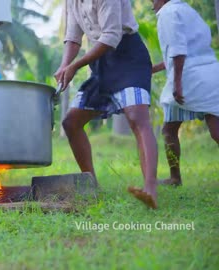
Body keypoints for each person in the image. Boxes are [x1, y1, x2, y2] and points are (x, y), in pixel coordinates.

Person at [54, 0, 159, 209]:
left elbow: (111, 37)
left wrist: (75, 66)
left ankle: (150, 189)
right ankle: (91, 185)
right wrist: (64, 66)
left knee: (137, 119)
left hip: (128, 57)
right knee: (71, 123)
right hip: (101, 63)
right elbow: (73, 39)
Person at [151, 0, 219, 186]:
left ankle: (175, 178)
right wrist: (155, 68)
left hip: (190, 78)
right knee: (172, 129)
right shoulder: (188, 11)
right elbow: (187, 51)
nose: (151, 3)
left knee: (170, 130)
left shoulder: (168, 13)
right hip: (210, 73)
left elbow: (178, 50)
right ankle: (174, 178)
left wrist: (178, 83)